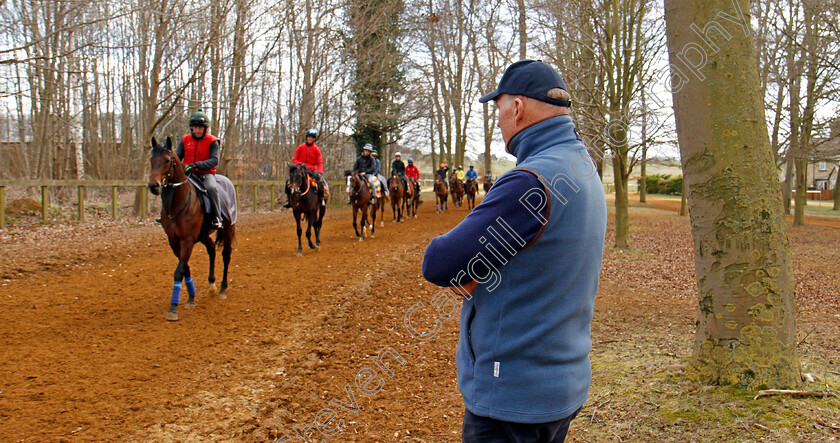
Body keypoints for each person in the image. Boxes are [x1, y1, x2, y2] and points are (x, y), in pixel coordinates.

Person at [421, 60, 607, 443]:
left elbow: (439, 262)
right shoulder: (581, 165)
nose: (500, 118)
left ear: (518, 108)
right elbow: (542, 256)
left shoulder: (529, 183)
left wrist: (472, 272)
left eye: (500, 108)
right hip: (561, 382)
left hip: (513, 396)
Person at [177, 109, 223, 229]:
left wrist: (197, 165)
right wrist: (183, 167)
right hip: (188, 174)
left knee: (212, 188)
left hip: (206, 174)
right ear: (191, 128)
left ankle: (217, 217)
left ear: (205, 129)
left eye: (200, 128)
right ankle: (166, 215)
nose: (197, 130)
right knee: (171, 186)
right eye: (195, 127)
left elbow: (214, 160)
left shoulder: (213, 141)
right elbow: (177, 157)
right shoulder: (185, 140)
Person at [285, 128, 329, 208]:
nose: (310, 139)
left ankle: (321, 198)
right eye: (309, 137)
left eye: (312, 138)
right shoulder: (300, 147)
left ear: (314, 139)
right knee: (288, 181)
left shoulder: (316, 149)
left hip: (311, 171)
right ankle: (289, 200)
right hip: (300, 169)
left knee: (320, 182)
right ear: (306, 138)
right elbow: (294, 159)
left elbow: (319, 161)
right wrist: (301, 164)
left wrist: (320, 171)